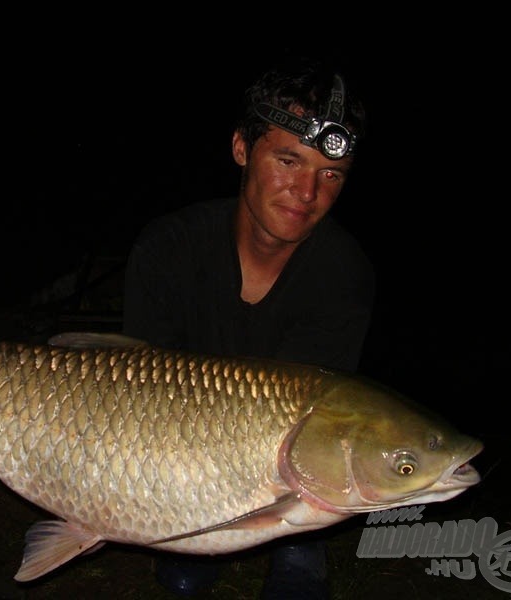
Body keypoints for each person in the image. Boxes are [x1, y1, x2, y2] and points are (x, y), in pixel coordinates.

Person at [122, 55, 374, 599]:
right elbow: (133, 393)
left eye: (329, 175)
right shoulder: (168, 247)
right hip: (175, 447)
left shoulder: (343, 273)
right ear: (241, 149)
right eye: (288, 160)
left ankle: (297, 543)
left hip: (286, 460)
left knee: (299, 573)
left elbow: (317, 423)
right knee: (184, 578)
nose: (306, 194)